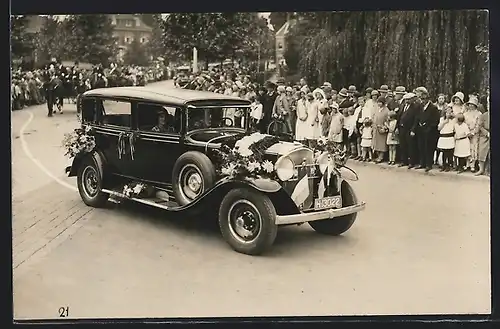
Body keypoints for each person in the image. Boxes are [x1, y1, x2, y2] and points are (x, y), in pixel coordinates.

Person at [413, 87, 440, 172]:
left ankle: (429, 164)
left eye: (424, 99)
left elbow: (435, 120)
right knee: (421, 147)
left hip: (430, 131)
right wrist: (417, 127)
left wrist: (428, 127)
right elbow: (417, 118)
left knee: (429, 148)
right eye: (421, 99)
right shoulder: (420, 107)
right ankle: (422, 163)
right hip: (421, 130)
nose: (422, 101)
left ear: (428, 99)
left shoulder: (433, 108)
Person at [397, 93, 419, 168]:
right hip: (402, 128)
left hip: (409, 128)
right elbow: (399, 117)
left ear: (412, 99)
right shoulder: (402, 106)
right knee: (403, 145)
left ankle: (411, 162)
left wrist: (413, 130)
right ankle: (404, 161)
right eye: (406, 99)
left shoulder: (415, 107)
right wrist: (397, 127)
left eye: (408, 99)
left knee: (410, 146)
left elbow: (416, 119)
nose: (407, 101)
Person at [464, 96, 481, 172]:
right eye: (470, 104)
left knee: (474, 148)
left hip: (474, 134)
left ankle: (473, 165)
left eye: (472, 104)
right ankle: (467, 164)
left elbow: (478, 125)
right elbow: (463, 124)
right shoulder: (465, 113)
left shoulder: (479, 114)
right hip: (466, 133)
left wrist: (473, 132)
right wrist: (467, 132)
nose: (471, 106)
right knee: (467, 148)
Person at [372, 96, 390, 163]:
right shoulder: (377, 109)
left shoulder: (386, 110)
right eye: (378, 102)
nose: (379, 104)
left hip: (382, 128)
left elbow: (387, 120)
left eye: (380, 102)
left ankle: (381, 157)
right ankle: (378, 155)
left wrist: (384, 127)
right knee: (376, 143)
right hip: (376, 128)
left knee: (382, 144)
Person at [475, 100, 490, 176]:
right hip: (484, 136)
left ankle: (487, 170)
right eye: (488, 105)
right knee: (482, 152)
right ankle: (481, 169)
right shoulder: (483, 115)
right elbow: (480, 126)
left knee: (490, 154)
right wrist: (486, 133)